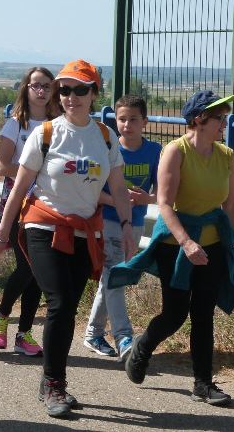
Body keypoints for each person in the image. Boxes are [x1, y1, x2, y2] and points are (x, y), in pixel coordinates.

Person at [0, 59, 135, 418]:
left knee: (67, 307)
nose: (71, 96)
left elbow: (118, 188)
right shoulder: (46, 133)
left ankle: (50, 379)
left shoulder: (104, 137)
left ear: (94, 93)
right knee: (60, 302)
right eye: (64, 89)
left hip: (84, 231)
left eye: (80, 89)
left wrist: (127, 228)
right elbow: (19, 187)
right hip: (43, 226)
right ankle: (55, 383)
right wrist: (3, 232)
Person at [111, 90, 234, 407]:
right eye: (219, 118)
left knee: (203, 313)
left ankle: (203, 384)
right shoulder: (176, 151)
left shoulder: (226, 155)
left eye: (225, 118)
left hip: (212, 245)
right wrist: (186, 242)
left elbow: (230, 205)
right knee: (174, 315)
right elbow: (164, 204)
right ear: (199, 120)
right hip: (176, 245)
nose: (224, 124)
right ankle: (141, 349)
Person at [83, 95, 161, 361]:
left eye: (133, 119)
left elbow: (161, 193)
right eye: (122, 119)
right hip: (108, 220)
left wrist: (146, 199)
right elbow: (92, 189)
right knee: (115, 274)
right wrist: (118, 199)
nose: (127, 125)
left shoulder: (154, 151)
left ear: (145, 122)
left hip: (135, 222)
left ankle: (93, 333)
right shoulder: (106, 148)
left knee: (112, 276)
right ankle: (123, 336)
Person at [0, 67, 58, 356]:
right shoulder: (15, 125)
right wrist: (34, 173)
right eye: (35, 85)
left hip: (47, 206)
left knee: (39, 272)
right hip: (18, 204)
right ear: (26, 89)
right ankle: (2, 314)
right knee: (27, 266)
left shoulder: (59, 125)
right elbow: (2, 166)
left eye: (46, 86)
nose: (41, 91)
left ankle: (24, 333)